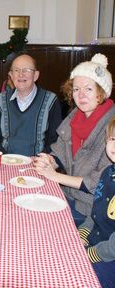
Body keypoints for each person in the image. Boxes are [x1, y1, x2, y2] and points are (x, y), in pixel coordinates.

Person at [34, 53, 115, 227]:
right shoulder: (75, 116)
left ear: (102, 91)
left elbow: (98, 183)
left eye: (89, 89)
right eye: (76, 89)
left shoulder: (111, 125)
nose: (81, 95)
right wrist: (49, 161)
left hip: (93, 211)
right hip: (68, 195)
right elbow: (60, 151)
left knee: (38, 222)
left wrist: (54, 176)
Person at [0, 53, 62, 156]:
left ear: (36, 75)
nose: (21, 74)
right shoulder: (1, 100)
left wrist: (39, 160)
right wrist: (5, 157)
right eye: (16, 70)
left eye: (26, 70)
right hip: (6, 163)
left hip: (37, 166)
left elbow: (55, 141)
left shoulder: (50, 100)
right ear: (11, 75)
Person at [78, 117, 115, 288]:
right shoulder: (108, 172)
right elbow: (96, 209)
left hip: (109, 256)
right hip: (95, 242)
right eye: (113, 138)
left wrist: (92, 254)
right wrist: (84, 231)